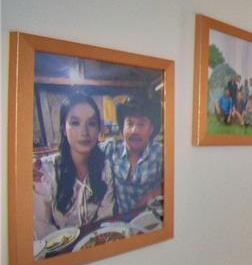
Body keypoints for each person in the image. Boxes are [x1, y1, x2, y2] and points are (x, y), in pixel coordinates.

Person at [32, 93, 115, 240]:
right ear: (64, 129)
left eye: (91, 123)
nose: (85, 132)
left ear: (98, 129)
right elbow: (41, 231)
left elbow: (105, 218)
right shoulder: (44, 172)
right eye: (75, 123)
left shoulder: (104, 167)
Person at [100, 95, 163, 213]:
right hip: (120, 220)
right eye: (129, 123)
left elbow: (176, 182)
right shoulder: (111, 149)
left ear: (151, 129)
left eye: (141, 124)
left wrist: (151, 195)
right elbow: (87, 149)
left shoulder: (160, 153)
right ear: (122, 127)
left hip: (151, 219)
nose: (134, 130)